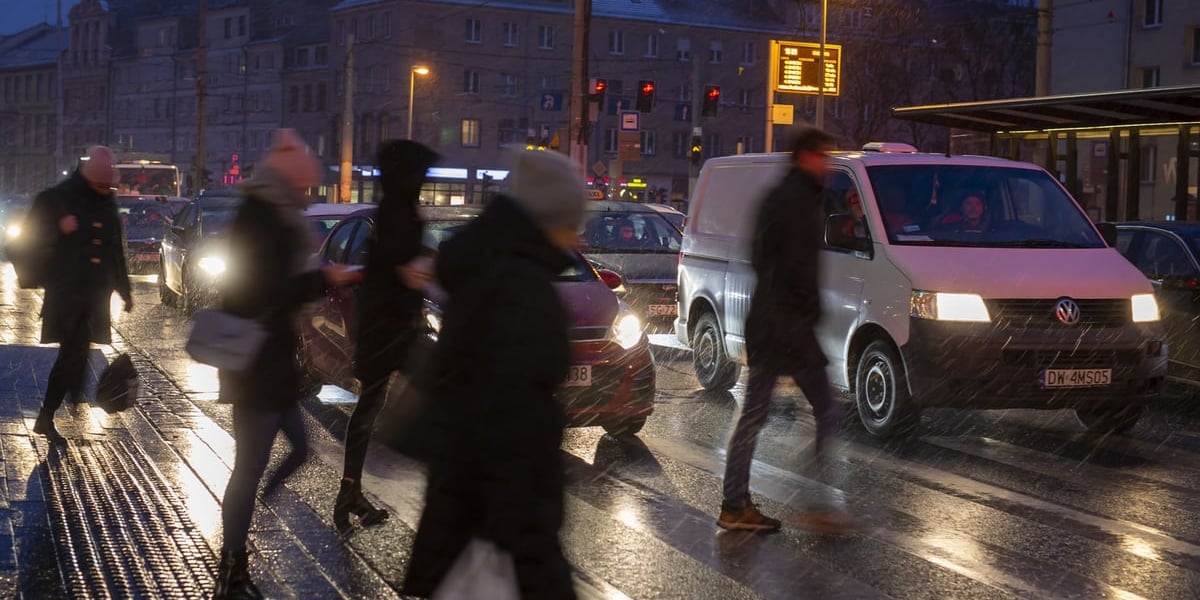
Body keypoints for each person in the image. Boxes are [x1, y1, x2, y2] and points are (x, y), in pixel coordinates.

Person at [401, 149, 584, 599]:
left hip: (464, 513)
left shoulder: (489, 268)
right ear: (552, 219)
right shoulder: (520, 287)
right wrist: (540, 564)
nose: (578, 235)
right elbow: (513, 434)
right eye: (573, 221)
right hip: (502, 526)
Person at [213, 130, 361, 599]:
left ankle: (250, 519)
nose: (307, 197)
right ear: (289, 184)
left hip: (272, 362)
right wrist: (319, 279)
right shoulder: (264, 220)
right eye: (305, 189)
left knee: (298, 449)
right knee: (248, 467)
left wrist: (315, 278)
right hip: (255, 364)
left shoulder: (275, 216)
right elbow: (263, 290)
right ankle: (233, 559)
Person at [720, 126, 851, 534]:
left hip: (772, 321)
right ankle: (816, 505)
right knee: (826, 410)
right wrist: (805, 311)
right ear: (806, 157)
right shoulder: (796, 201)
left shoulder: (784, 197)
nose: (828, 165)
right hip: (786, 326)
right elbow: (795, 267)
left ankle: (736, 504)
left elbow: (763, 258)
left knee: (756, 416)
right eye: (824, 157)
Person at [336, 139, 440, 529]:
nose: (424, 181)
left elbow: (400, 263)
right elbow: (408, 269)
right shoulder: (400, 213)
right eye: (421, 174)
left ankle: (350, 491)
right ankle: (444, 491)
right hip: (393, 330)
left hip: (386, 327)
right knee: (436, 396)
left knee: (370, 407)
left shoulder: (393, 209)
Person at [32, 146, 133, 444]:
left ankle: (60, 406)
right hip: (67, 296)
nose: (105, 190)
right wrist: (59, 227)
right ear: (89, 180)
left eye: (108, 186)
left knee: (75, 354)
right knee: (72, 354)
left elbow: (115, 249)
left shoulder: (106, 202)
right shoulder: (64, 197)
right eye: (100, 185)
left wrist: (125, 291)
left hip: (93, 296)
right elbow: (40, 219)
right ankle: (51, 413)